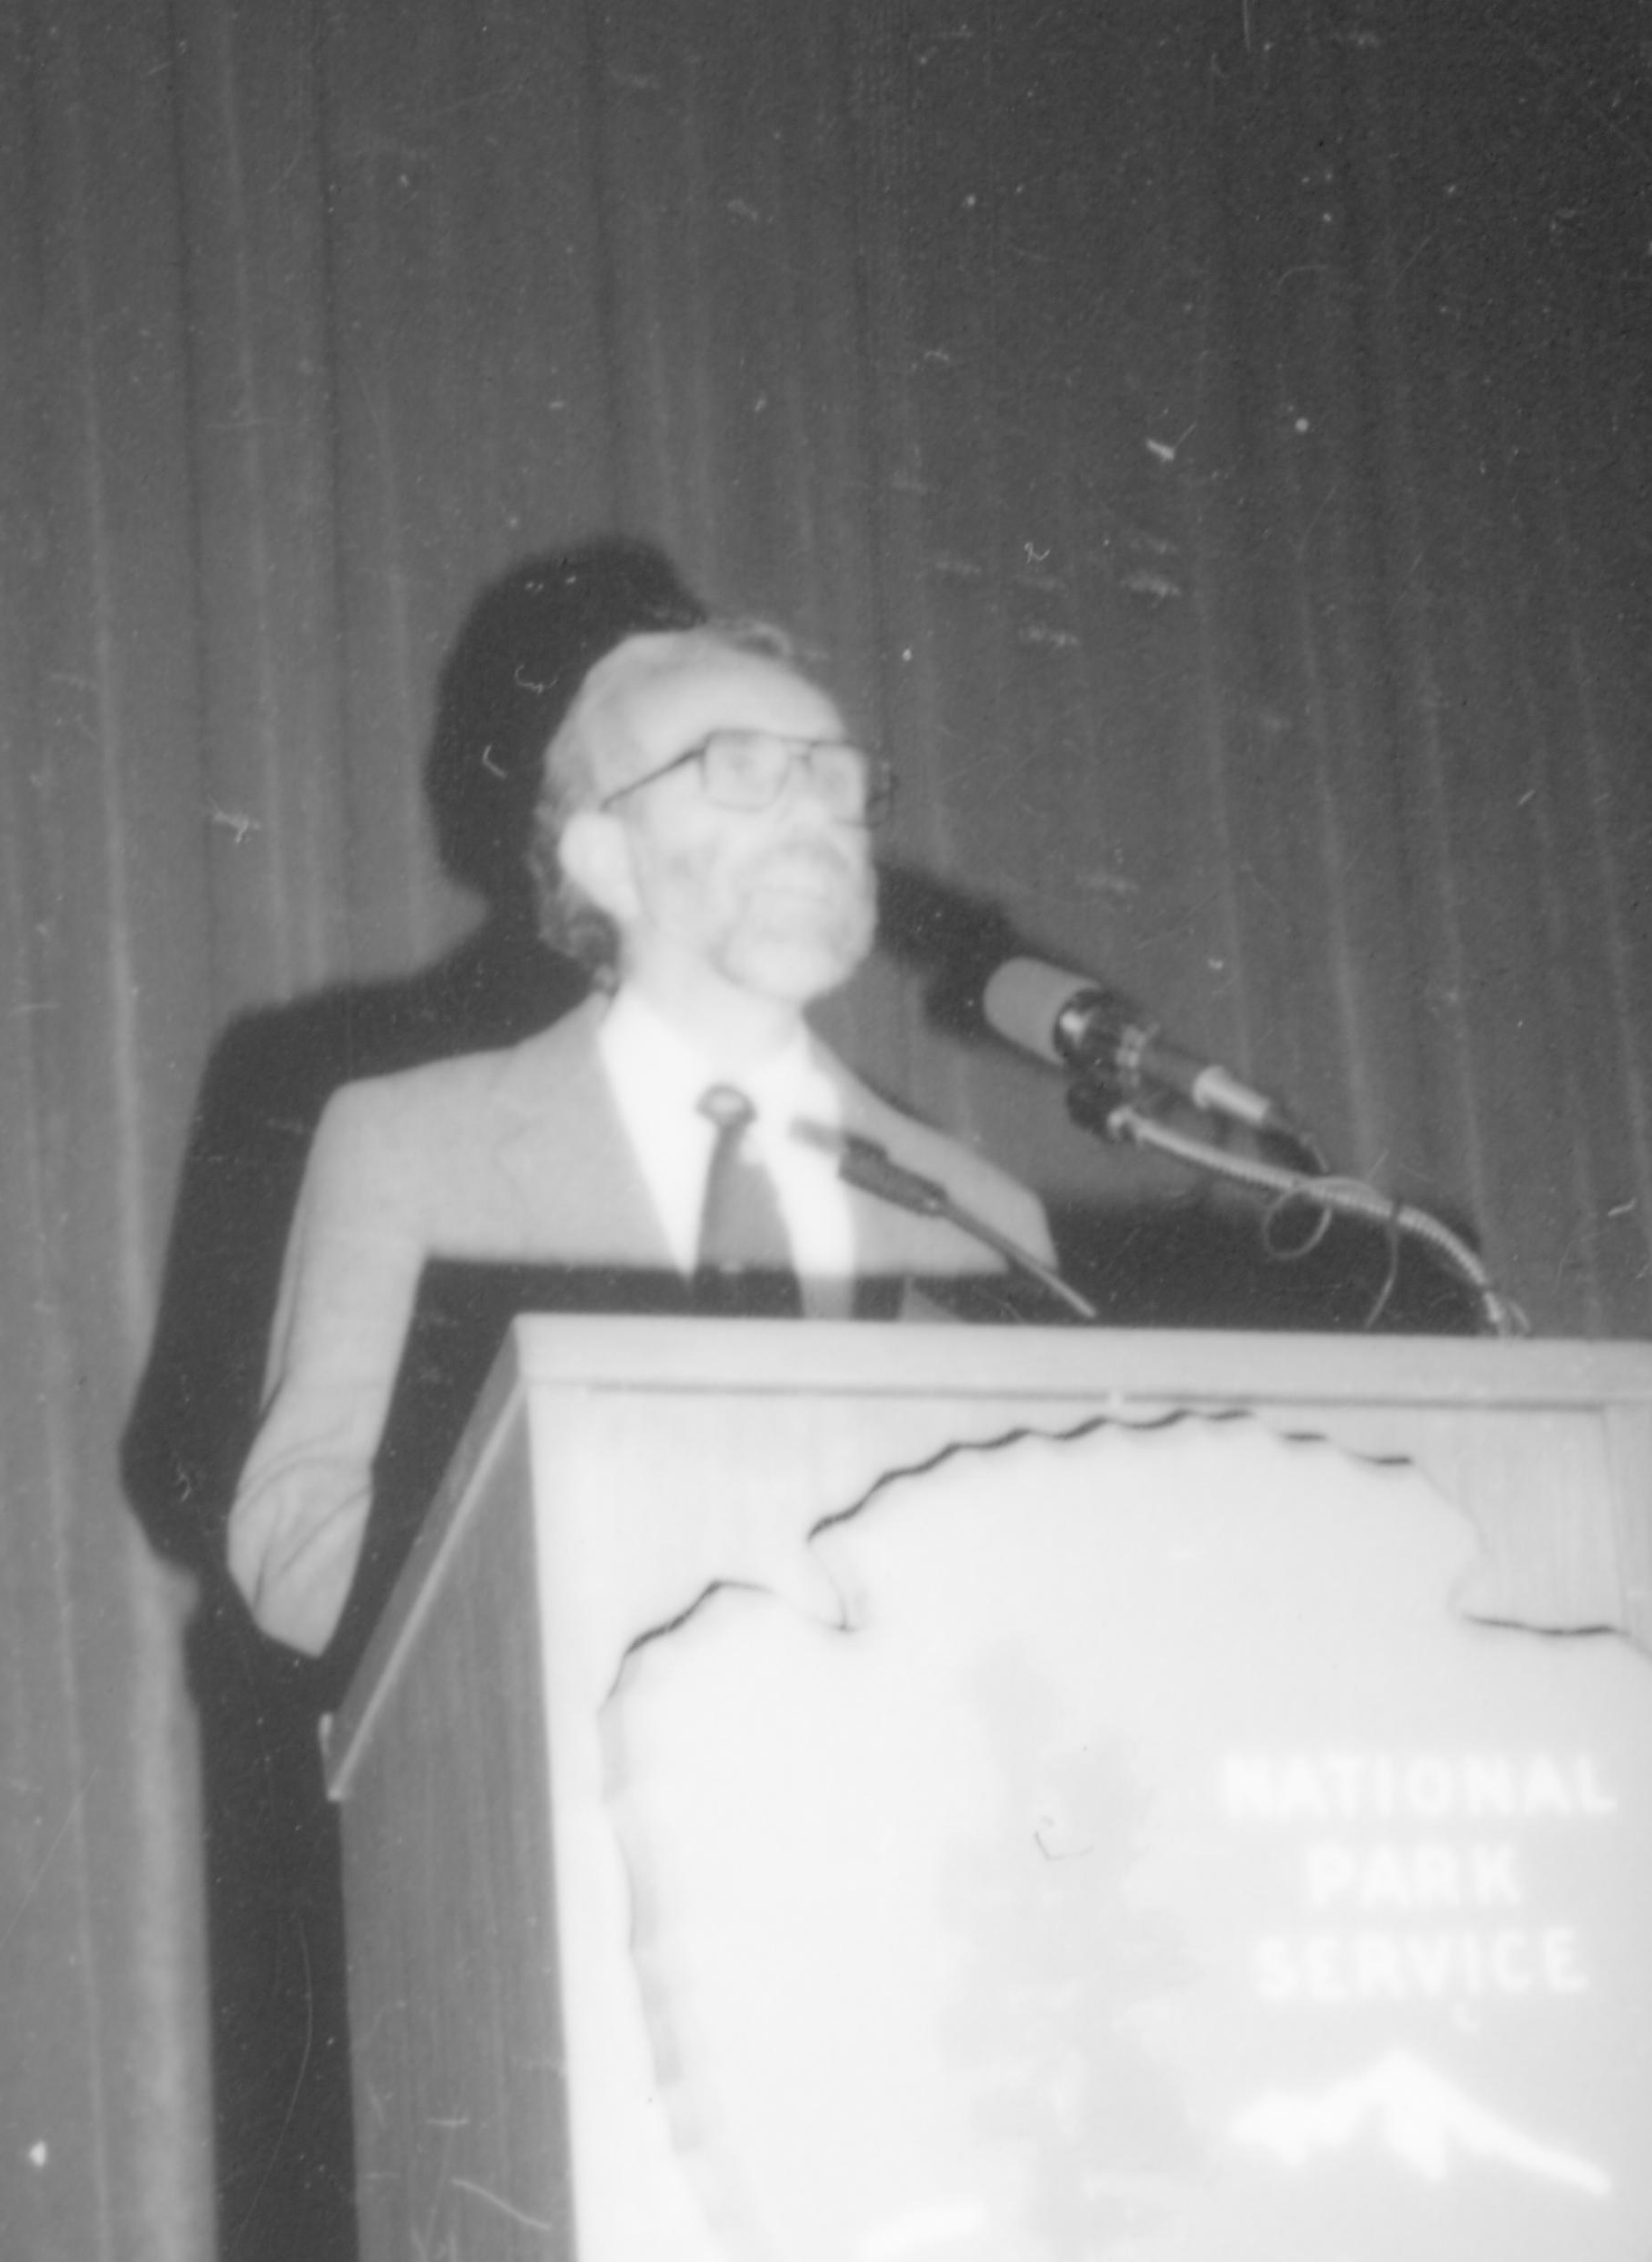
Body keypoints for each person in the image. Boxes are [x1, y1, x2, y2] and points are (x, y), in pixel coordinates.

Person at [225, 615, 1058, 1657]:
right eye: (741, 767)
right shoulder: (412, 1147)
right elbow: (295, 1538)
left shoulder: (985, 1220)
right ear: (607, 857)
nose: (810, 810)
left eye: (834, 778)